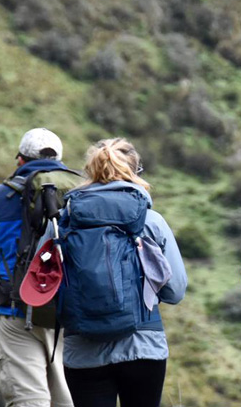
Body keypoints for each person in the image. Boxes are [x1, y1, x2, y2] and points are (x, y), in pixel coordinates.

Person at [60, 137, 187, 407]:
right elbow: (175, 291)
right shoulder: (151, 221)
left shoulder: (65, 221)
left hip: (83, 349)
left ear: (90, 172)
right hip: (143, 345)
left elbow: (45, 285)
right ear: (134, 172)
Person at [0, 128, 79, 407]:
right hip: (70, 312)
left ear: (20, 160)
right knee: (68, 399)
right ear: (60, 161)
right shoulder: (81, 193)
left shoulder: (2, 196)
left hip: (17, 308)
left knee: (29, 398)